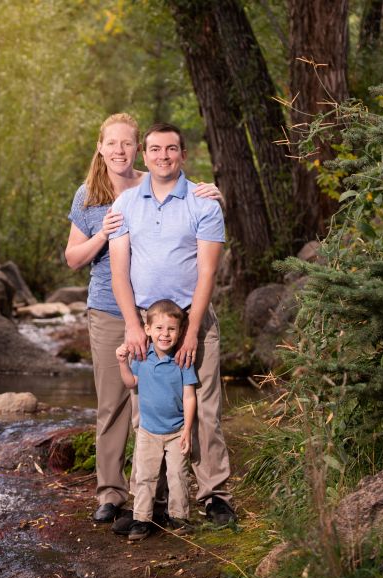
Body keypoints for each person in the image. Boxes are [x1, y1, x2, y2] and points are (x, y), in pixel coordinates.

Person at [65, 114, 221, 525]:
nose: (119, 150)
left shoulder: (153, 183)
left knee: (164, 401)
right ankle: (115, 494)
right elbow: (74, 259)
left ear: (137, 150)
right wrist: (104, 232)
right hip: (112, 307)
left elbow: (183, 195)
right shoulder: (92, 197)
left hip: (161, 312)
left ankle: (165, 495)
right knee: (115, 402)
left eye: (127, 143)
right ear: (100, 147)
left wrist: (212, 193)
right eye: (111, 143)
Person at [108, 122, 237, 526]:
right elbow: (119, 273)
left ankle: (214, 495)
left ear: (183, 154)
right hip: (146, 324)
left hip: (190, 317)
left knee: (205, 410)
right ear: (144, 157)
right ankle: (152, 502)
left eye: (171, 149)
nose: (163, 156)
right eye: (155, 149)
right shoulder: (126, 205)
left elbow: (206, 272)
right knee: (146, 410)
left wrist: (193, 329)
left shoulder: (203, 204)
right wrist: (132, 325)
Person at [115, 299, 196, 541]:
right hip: (148, 431)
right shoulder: (141, 358)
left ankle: (179, 517)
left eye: (171, 329)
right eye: (159, 328)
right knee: (145, 476)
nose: (165, 334)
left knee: (178, 476)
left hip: (176, 431)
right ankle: (141, 519)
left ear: (180, 332)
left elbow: (189, 396)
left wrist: (187, 430)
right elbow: (131, 383)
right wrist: (122, 363)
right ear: (147, 329)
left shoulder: (182, 360)